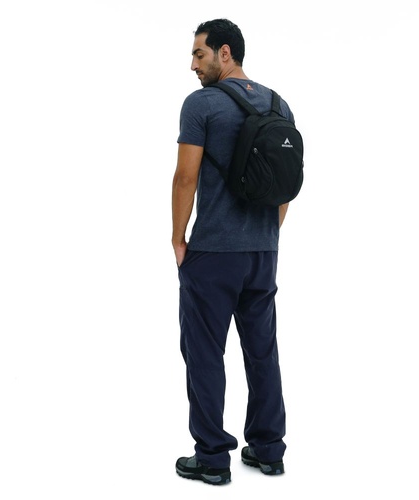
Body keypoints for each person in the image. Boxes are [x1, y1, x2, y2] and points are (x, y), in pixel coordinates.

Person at [172, 18, 296, 485]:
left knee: (205, 352)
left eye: (199, 54)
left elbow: (185, 177)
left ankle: (212, 457)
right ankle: (268, 449)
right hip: (263, 252)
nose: (193, 65)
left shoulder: (201, 105)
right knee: (262, 351)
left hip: (213, 253)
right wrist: (267, 235)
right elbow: (287, 182)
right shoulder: (278, 104)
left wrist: (178, 238)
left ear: (225, 53)